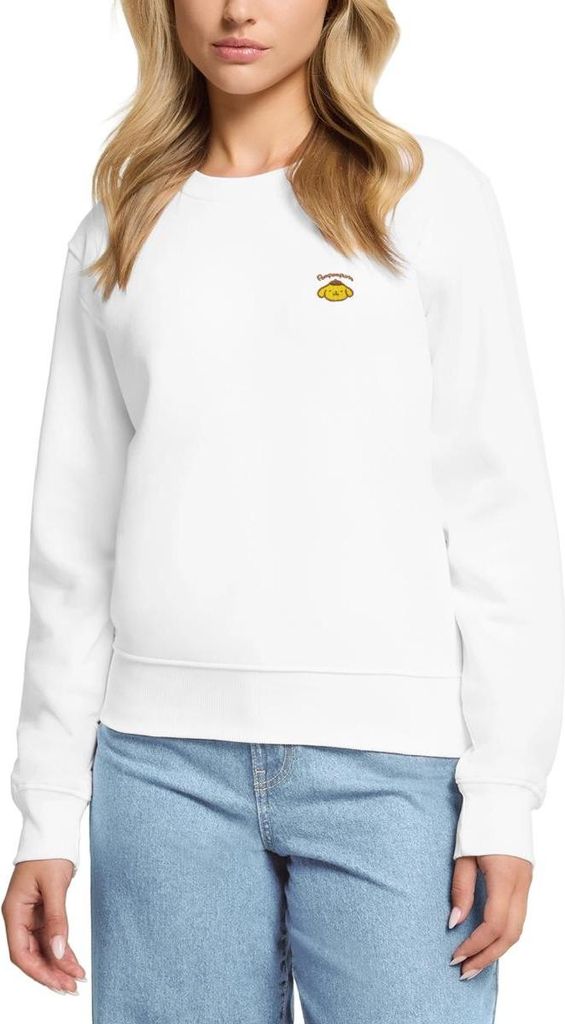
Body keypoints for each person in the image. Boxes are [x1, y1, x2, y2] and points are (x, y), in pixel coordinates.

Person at [2, 1, 564, 1021]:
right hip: (157, 769)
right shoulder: (119, 227)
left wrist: (502, 791)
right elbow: (73, 544)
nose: (237, 9)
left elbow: (500, 513)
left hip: (396, 770)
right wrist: (45, 807)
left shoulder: (423, 195)